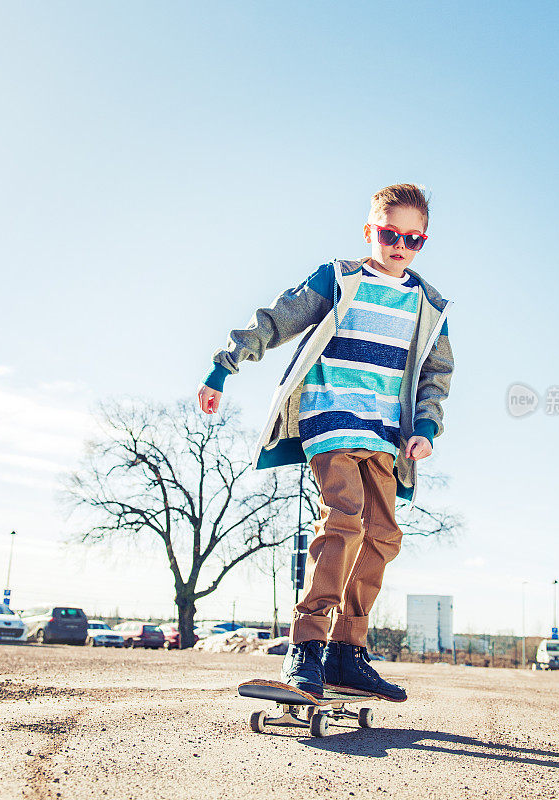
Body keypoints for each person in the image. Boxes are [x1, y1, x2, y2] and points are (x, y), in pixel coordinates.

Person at [197, 183, 454, 701]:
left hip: (386, 434)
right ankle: (308, 645)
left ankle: (346, 651)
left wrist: (425, 428)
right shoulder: (338, 279)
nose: (399, 245)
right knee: (344, 518)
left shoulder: (429, 306)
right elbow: (277, 319)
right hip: (331, 420)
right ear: (370, 232)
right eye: (389, 234)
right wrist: (223, 367)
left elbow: (436, 372)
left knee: (382, 535)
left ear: (424, 240)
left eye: (413, 239)